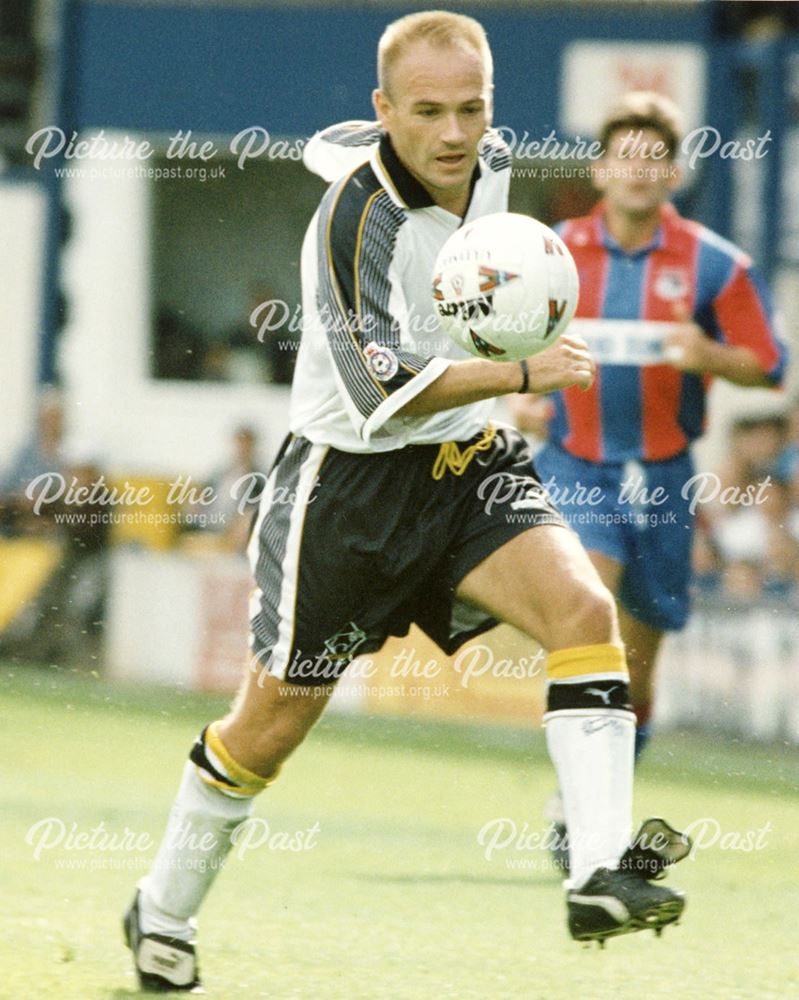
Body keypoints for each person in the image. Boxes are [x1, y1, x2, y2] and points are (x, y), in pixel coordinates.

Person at [123, 17, 689, 992]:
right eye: (426, 112)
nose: (454, 132)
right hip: (344, 485)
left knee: (583, 610)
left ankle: (599, 868)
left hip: (465, 463)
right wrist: (521, 366)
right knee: (270, 725)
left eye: (471, 108)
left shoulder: (494, 165)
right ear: (387, 112)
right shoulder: (354, 217)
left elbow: (434, 215)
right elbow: (374, 388)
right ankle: (163, 907)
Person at [513, 91, 787, 864]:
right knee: (587, 601)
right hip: (574, 465)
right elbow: (500, 336)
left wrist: (709, 357)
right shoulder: (549, 252)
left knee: (637, 662)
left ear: (672, 172)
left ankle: (589, 811)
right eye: (622, 157)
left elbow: (768, 365)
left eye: (652, 159)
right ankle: (580, 807)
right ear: (600, 169)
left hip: (665, 478)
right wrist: (520, 392)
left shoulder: (712, 263)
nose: (636, 172)